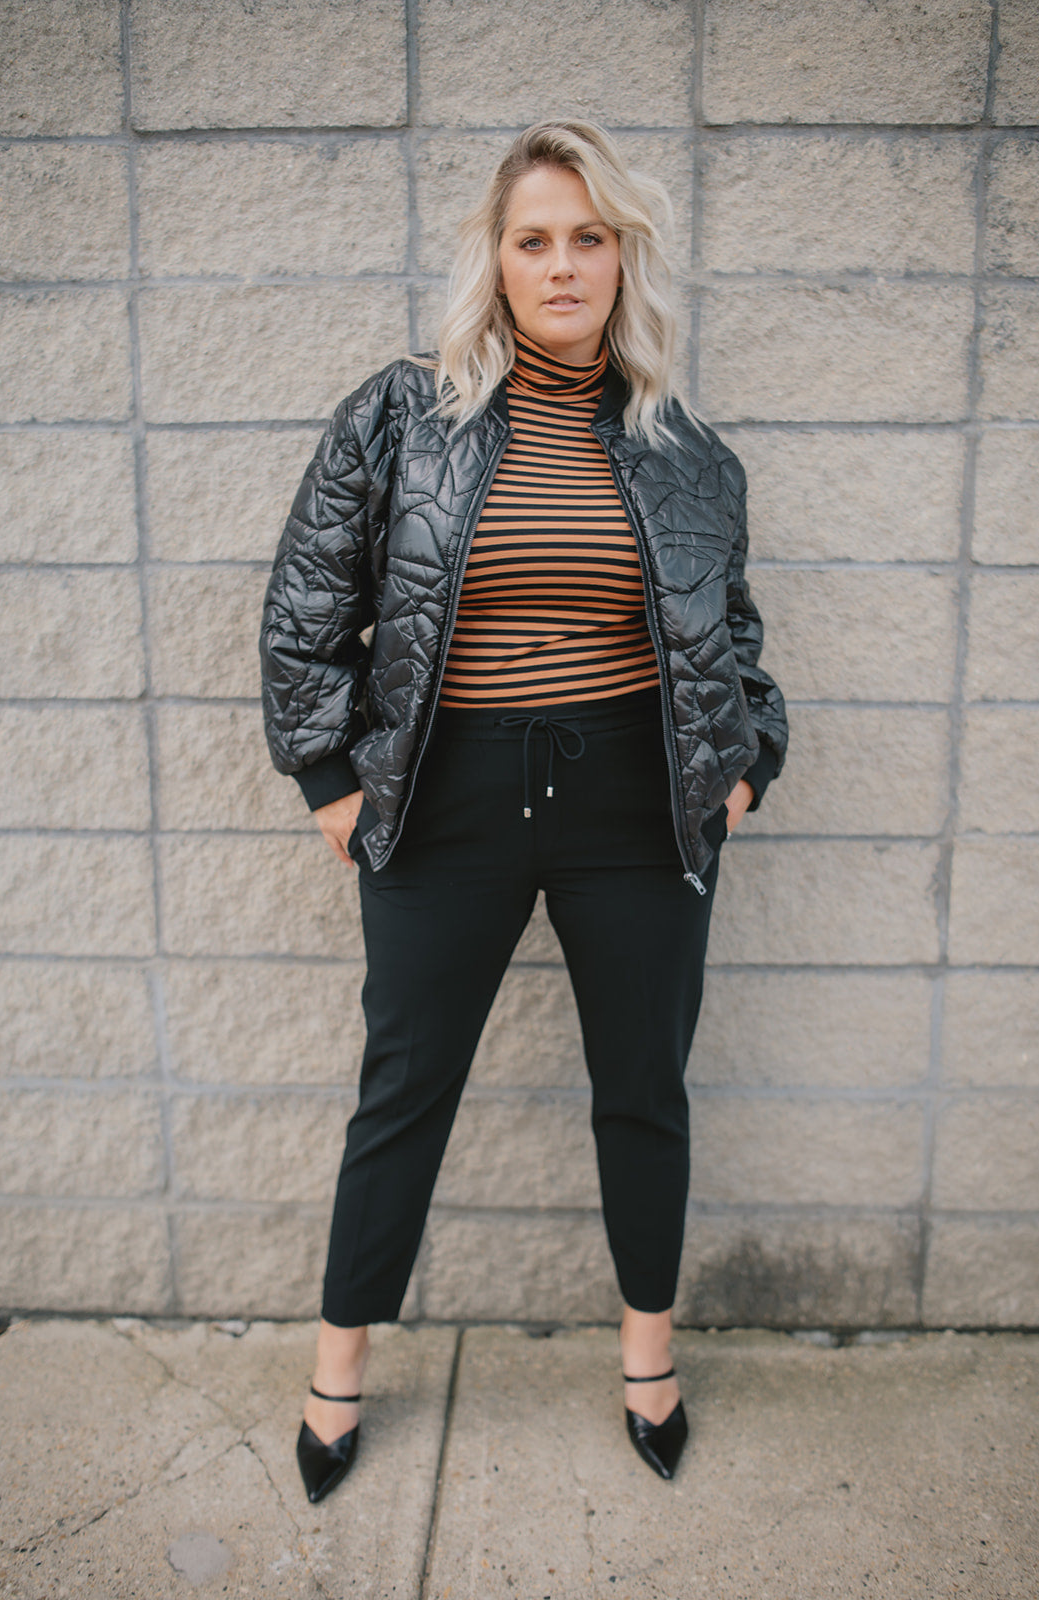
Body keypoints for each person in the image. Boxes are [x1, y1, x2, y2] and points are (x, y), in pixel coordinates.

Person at [260, 120, 787, 1501]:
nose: (562, 266)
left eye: (587, 238)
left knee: (644, 1090)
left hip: (638, 807)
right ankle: (336, 1370)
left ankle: (648, 1359)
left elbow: (729, 634)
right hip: (445, 801)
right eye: (533, 239)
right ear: (494, 262)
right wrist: (328, 780)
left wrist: (745, 764)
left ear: (623, 259)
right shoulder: (401, 415)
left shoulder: (684, 451)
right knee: (404, 1088)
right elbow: (308, 601)